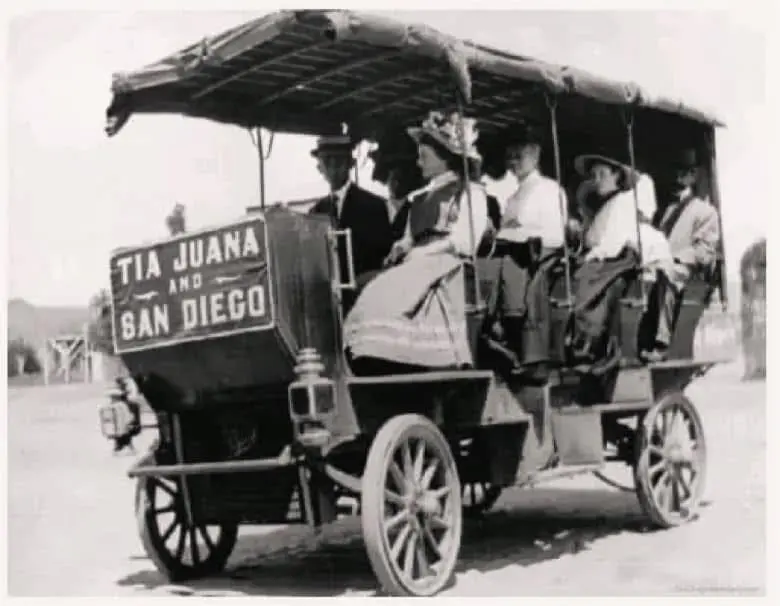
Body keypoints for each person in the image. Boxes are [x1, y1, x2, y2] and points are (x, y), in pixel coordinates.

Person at [343, 111, 490, 374]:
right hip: (418, 261)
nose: (418, 162)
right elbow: (410, 237)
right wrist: (402, 246)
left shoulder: (470, 192)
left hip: (447, 262)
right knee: (371, 283)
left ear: (445, 157)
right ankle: (377, 351)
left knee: (387, 287)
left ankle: (414, 352)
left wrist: (425, 254)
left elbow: (464, 241)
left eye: (424, 156)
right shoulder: (419, 198)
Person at [568, 153, 672, 372]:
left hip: (625, 258)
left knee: (589, 279)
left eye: (602, 174)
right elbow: (594, 238)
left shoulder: (624, 202)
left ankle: (591, 343)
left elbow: (613, 242)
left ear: (617, 176)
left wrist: (591, 256)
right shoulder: (606, 206)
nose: (597, 180)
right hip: (611, 254)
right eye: (594, 175)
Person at [480, 123, 568, 372]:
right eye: (510, 157)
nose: (514, 162)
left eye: (520, 155)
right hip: (510, 252)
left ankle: (513, 335)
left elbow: (555, 235)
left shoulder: (550, 190)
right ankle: (490, 328)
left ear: (536, 155)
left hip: (538, 257)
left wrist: (518, 235)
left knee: (504, 265)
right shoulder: (513, 196)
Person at [640, 148, 721, 362]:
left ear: (693, 176)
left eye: (684, 174)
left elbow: (705, 251)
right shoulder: (665, 210)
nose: (678, 179)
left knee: (667, 273)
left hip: (686, 270)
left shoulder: (705, 212)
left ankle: (662, 341)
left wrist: (674, 258)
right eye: (675, 173)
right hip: (659, 263)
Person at [308, 134, 394, 278]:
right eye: (327, 161)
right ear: (319, 168)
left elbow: (383, 256)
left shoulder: (374, 206)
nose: (333, 168)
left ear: (351, 164)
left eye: (339, 161)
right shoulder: (316, 213)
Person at [368, 130, 426, 242]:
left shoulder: (420, 208)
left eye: (404, 168)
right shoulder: (374, 210)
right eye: (390, 168)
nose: (396, 176)